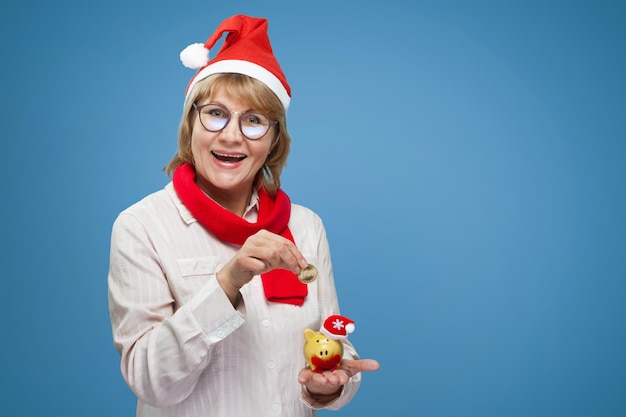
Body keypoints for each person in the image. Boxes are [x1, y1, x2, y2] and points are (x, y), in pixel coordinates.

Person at [108, 14, 379, 417]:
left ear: (272, 141)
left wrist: (329, 384)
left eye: (253, 121)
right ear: (190, 125)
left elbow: (327, 337)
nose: (232, 135)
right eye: (215, 113)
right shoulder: (141, 226)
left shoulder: (306, 226)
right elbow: (150, 381)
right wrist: (227, 282)